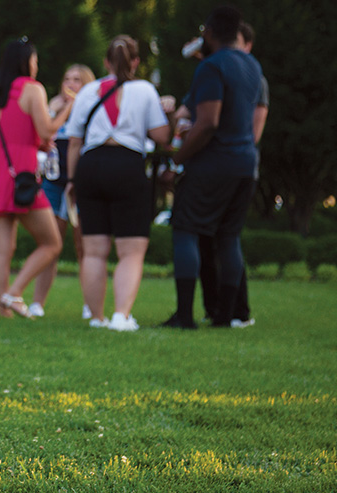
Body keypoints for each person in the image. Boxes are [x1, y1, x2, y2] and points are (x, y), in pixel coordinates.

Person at [161, 6, 262, 329]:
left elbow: (208, 123)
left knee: (186, 228)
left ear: (209, 32)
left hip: (214, 162)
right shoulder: (252, 66)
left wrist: (175, 161)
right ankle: (225, 316)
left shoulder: (212, 67)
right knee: (229, 236)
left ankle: (184, 316)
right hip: (245, 164)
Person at [66, 35, 171, 331]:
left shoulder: (88, 91)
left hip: (90, 166)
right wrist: (168, 111)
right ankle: (121, 316)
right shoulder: (145, 90)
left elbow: (74, 142)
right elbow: (161, 136)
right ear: (136, 62)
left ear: (106, 62)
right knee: (131, 250)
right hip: (127, 165)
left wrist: (72, 179)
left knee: (94, 250)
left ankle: (97, 317)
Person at [0, 38, 62, 318]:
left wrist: (37, 143)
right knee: (52, 243)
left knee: (3, 249)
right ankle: (14, 293)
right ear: (27, 62)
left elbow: (9, 132)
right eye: (35, 60)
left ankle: (5, 313)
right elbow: (47, 130)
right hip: (20, 172)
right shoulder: (33, 88)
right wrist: (68, 107)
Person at [193, 21, 268, 327]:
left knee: (226, 237)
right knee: (215, 239)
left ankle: (234, 310)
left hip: (229, 164)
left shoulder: (252, 76)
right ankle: (219, 309)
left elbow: (253, 131)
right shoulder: (225, 70)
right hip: (233, 164)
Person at [29, 64, 96, 318]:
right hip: (53, 183)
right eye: (67, 78)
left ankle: (90, 304)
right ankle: (37, 303)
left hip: (81, 183)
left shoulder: (91, 109)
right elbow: (38, 137)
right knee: (50, 244)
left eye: (77, 79)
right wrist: (51, 110)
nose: (70, 83)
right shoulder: (54, 109)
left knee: (83, 246)